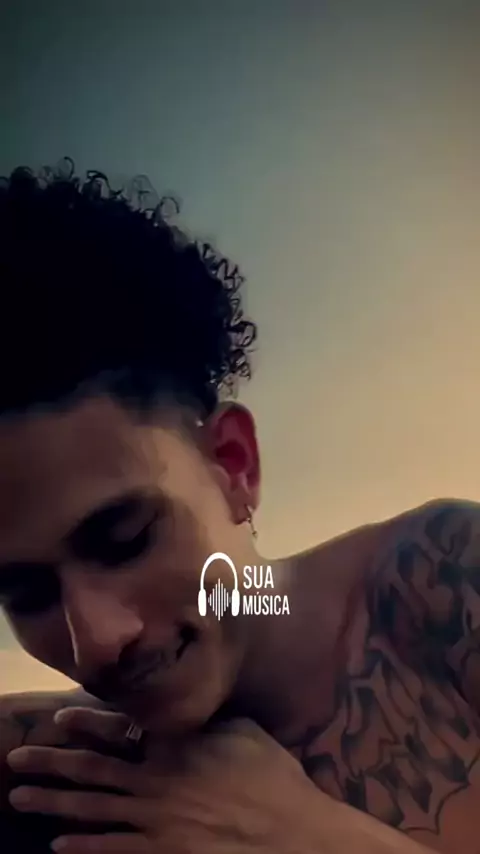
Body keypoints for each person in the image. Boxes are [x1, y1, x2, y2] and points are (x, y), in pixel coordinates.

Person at [0, 159, 478, 854]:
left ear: (233, 464)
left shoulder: (444, 585)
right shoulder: (65, 769)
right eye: (27, 594)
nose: (96, 641)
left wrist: (316, 840)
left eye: (127, 539)